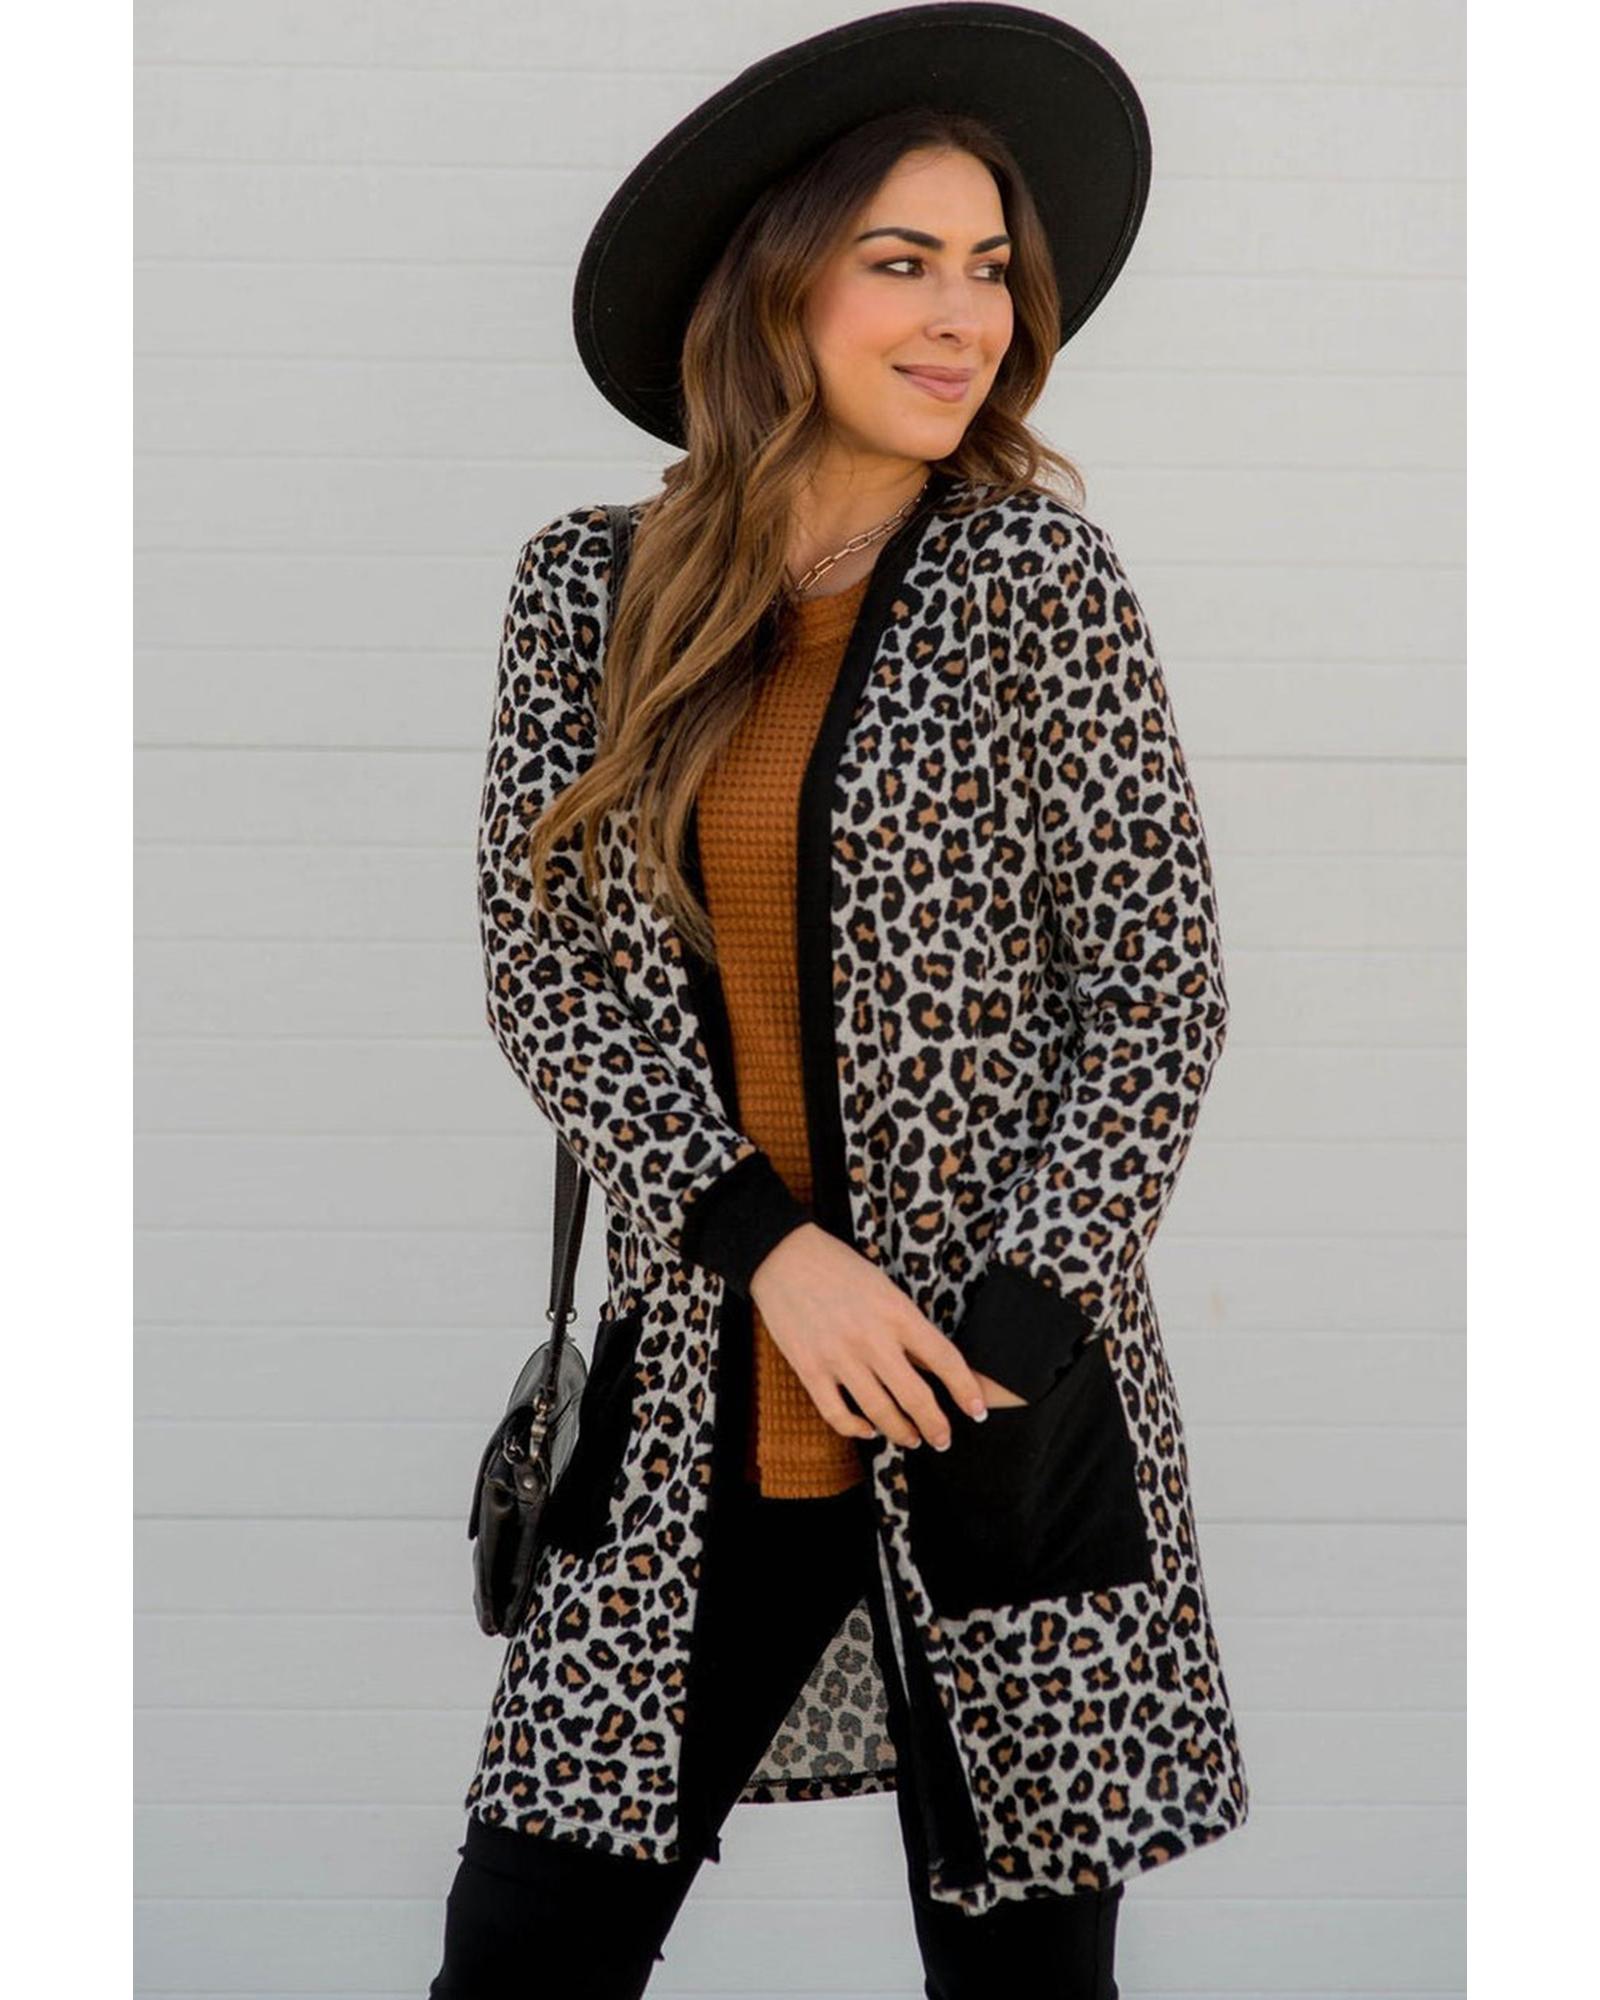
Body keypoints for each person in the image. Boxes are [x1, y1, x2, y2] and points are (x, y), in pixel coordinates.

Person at [428, 7, 1250, 1995]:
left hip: (997, 1404)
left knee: (1025, 1980)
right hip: (698, 1406)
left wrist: (1019, 1323)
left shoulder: (1034, 579)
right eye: (902, 260)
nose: (964, 315)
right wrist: (769, 1254)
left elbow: (1156, 993)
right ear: (775, 282)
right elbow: (547, 974)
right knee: (525, 1945)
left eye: (989, 268)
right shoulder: (590, 590)